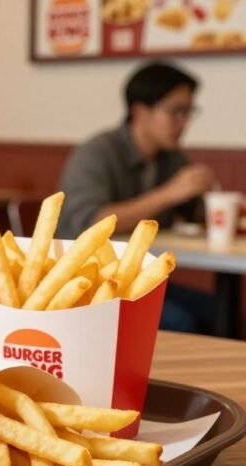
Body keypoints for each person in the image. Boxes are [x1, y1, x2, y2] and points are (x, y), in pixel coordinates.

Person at [57, 61, 215, 333]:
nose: (184, 123)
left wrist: (217, 206)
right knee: (181, 321)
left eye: (189, 113)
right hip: (85, 280)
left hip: (138, 277)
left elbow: (193, 213)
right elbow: (91, 222)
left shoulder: (172, 158)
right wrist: (169, 193)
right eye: (176, 112)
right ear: (140, 111)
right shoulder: (96, 153)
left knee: (218, 310)